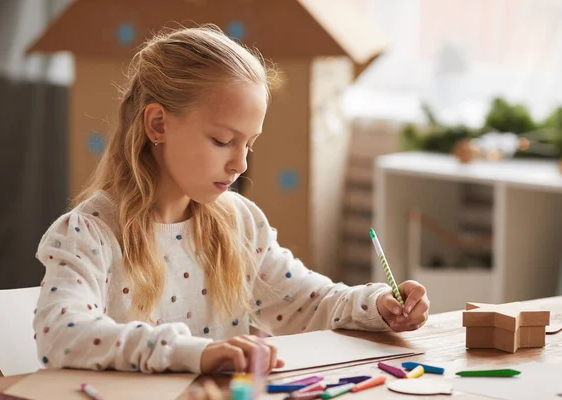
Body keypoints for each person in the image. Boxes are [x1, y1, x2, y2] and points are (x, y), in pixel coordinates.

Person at [33, 24, 430, 376]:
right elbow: (62, 336)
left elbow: (309, 304)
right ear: (158, 124)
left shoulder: (240, 222)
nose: (240, 163)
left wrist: (379, 305)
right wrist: (197, 353)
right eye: (223, 141)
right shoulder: (88, 233)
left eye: (249, 144)